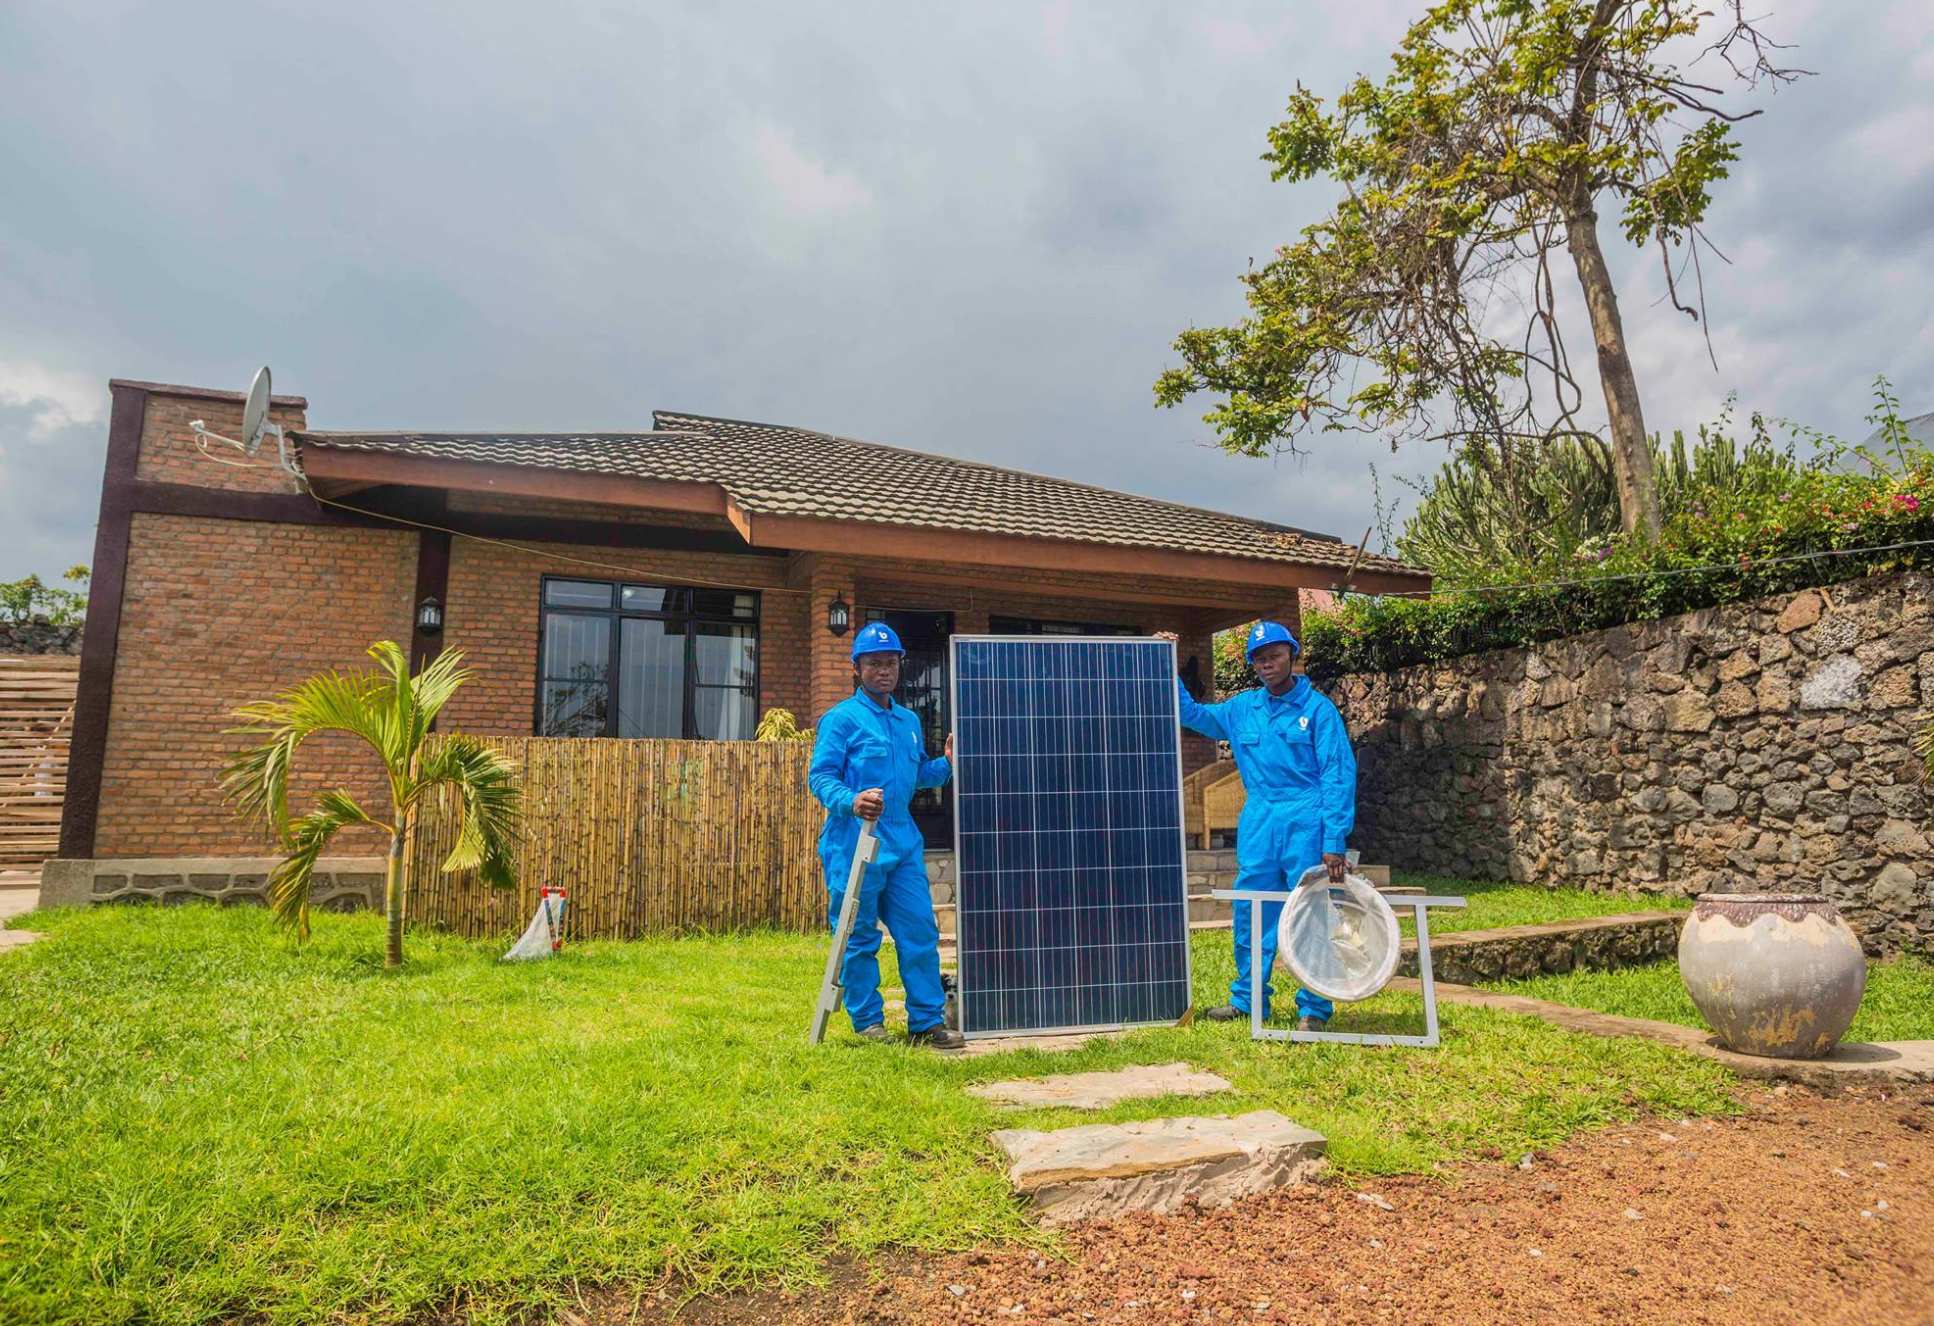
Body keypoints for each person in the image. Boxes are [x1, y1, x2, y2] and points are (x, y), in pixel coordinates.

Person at [1159, 622, 1357, 1030]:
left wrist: (1334, 839)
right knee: (1251, 910)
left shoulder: (1318, 711)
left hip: (1307, 820)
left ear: (1292, 656)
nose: (1267, 664)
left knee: (1311, 912)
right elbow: (1192, 714)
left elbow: (1338, 775)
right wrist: (1170, 664)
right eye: (1260, 658)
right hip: (1259, 820)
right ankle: (1249, 1001)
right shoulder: (1242, 708)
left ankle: (1313, 1008)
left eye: (1275, 655)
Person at [808, 621, 964, 1049]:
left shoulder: (908, 720)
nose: (884, 671)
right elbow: (819, 777)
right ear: (856, 668)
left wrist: (946, 763)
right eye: (874, 663)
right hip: (854, 843)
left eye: (891, 663)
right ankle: (869, 1023)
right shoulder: (840, 720)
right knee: (858, 936)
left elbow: (914, 776)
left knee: (919, 932)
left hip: (902, 842)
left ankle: (926, 1022)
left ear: (899, 666)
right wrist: (851, 800)